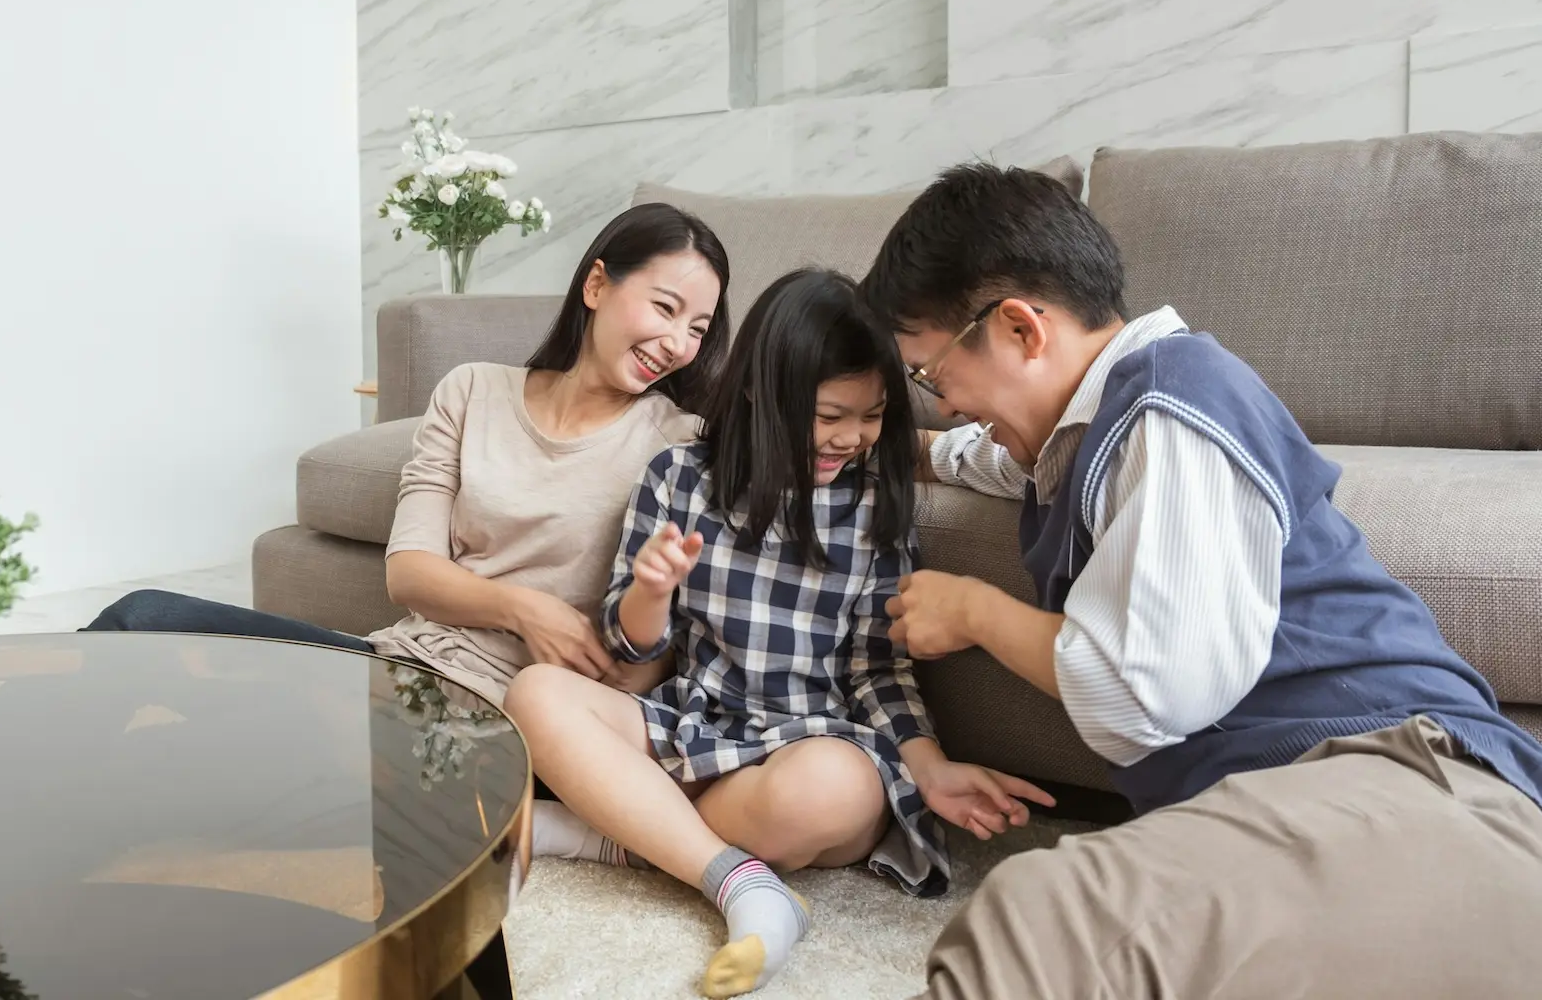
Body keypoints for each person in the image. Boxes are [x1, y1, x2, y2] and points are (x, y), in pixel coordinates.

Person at [858, 162, 1542, 999]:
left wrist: (975, 612)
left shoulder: (1173, 408)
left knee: (1041, 929)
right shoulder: (1082, 432)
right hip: (1302, 819)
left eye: (931, 375)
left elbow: (1140, 689)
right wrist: (875, 447)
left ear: (1020, 331)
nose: (946, 404)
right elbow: (983, 456)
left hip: (1417, 790)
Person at [502, 269, 1054, 1000]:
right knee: (534, 693)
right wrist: (650, 590)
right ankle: (739, 883)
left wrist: (928, 766)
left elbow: (876, 670)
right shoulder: (679, 477)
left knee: (833, 791)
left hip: (809, 748)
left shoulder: (872, 506)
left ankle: (611, 833)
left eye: (873, 414)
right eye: (830, 414)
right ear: (765, 393)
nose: (851, 437)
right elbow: (630, 652)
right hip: (693, 726)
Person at [86, 202, 732, 702]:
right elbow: (410, 574)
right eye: (665, 308)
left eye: (697, 329)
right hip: (398, 669)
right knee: (137, 621)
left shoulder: (678, 442)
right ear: (597, 285)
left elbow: (653, 652)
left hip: (511, 714)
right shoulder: (473, 390)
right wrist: (527, 608)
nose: (678, 342)